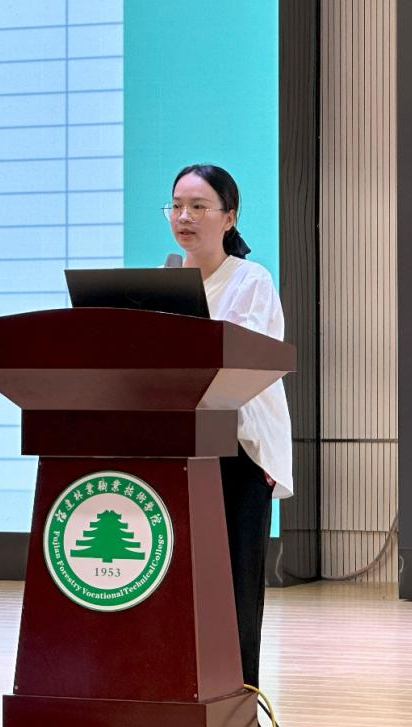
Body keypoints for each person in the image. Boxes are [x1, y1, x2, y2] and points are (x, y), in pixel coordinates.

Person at [164, 164, 293, 689]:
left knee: (235, 582)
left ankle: (238, 702)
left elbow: (249, 362)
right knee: (181, 582)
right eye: (177, 206)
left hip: (239, 448)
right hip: (178, 447)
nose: (184, 217)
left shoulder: (251, 280)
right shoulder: (164, 281)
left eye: (198, 206)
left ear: (229, 217)